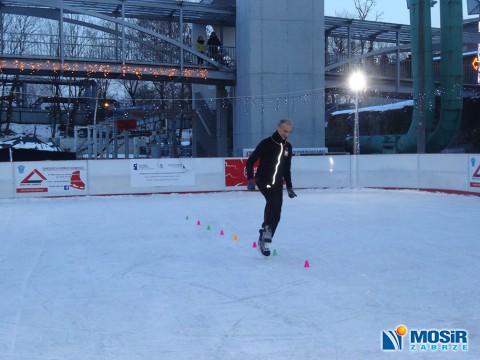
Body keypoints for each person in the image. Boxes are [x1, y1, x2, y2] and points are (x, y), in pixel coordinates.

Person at [245, 118, 297, 257]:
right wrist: (250, 179)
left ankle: (264, 238)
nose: (287, 134)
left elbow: (287, 168)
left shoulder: (288, 147)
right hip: (263, 179)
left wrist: (290, 187)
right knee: (272, 202)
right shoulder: (266, 143)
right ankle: (267, 228)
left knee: (278, 212)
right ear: (278, 128)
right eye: (285, 130)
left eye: (289, 132)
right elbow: (250, 162)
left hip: (277, 182)